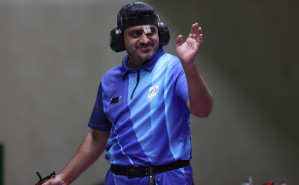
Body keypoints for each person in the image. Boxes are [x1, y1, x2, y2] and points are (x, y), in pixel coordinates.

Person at [43, 2, 213, 185]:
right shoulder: (110, 80)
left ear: (161, 34)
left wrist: (189, 66)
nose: (145, 39)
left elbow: (203, 110)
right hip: (118, 180)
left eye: (150, 32)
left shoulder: (173, 68)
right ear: (119, 40)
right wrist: (62, 178)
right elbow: (97, 137)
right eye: (135, 34)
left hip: (168, 179)